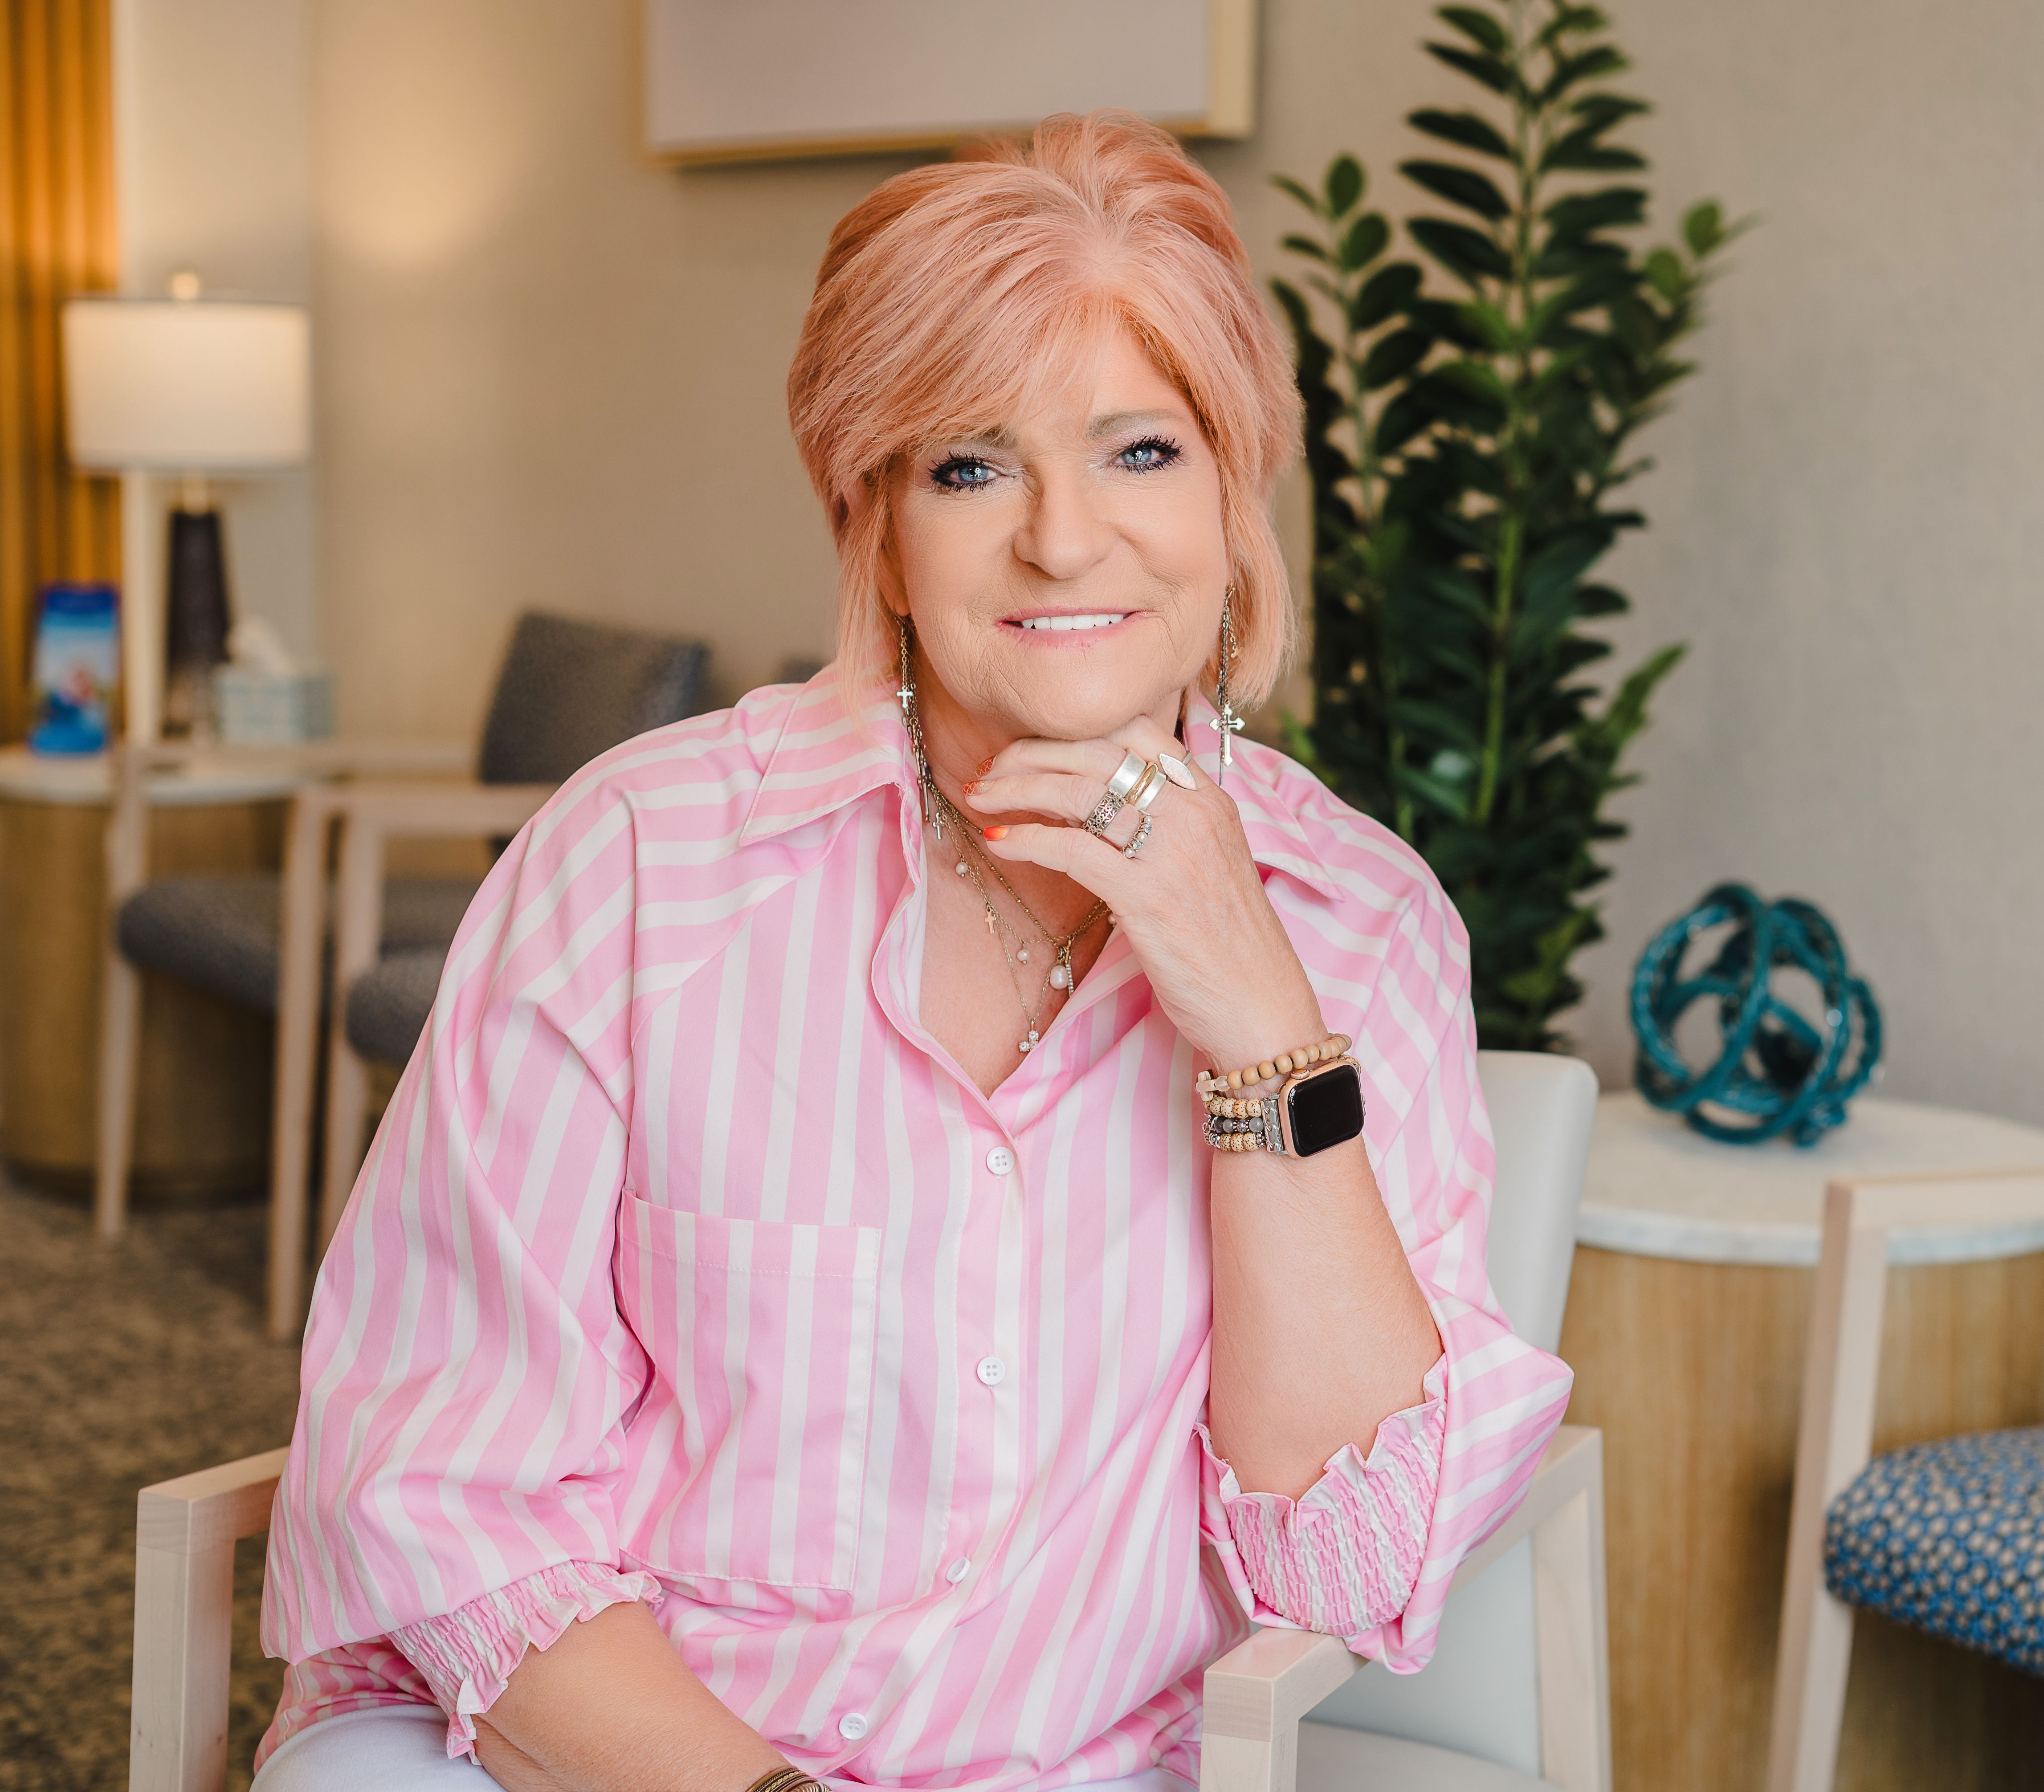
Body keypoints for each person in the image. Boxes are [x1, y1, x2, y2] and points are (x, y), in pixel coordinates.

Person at [252, 111, 1571, 1792]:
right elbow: (439, 1483)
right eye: (972, 464)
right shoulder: (644, 864)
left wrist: (1250, 1001)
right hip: (587, 1755)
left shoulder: (1365, 926)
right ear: (874, 520)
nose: (1064, 538)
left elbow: (1347, 1567)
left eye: (1142, 452)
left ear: (1238, 497)